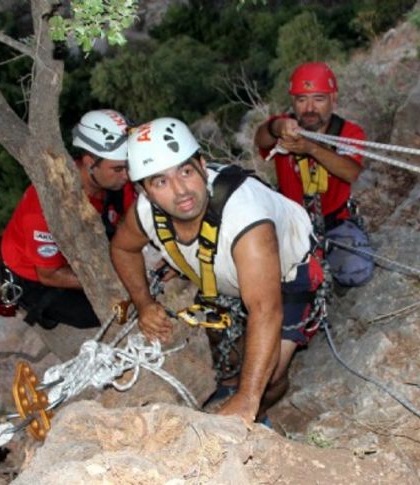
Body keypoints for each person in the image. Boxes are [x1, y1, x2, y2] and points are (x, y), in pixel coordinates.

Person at [110, 117, 324, 424]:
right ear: (145, 191)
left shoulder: (247, 220)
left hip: (289, 271)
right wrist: (144, 303)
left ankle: (258, 412)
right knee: (228, 348)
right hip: (225, 273)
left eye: (185, 171)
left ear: (201, 164)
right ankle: (229, 387)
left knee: (272, 375)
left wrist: (247, 398)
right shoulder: (145, 213)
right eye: (160, 181)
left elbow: (265, 310)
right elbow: (122, 248)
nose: (181, 190)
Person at [0, 109, 134, 335]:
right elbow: (49, 274)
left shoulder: (114, 179)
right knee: (102, 310)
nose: (127, 175)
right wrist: (115, 279)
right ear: (90, 162)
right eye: (119, 168)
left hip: (82, 245)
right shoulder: (44, 210)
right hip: (35, 273)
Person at [255, 61, 374, 288]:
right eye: (301, 100)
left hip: (335, 222)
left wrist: (311, 148)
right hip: (291, 225)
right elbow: (262, 138)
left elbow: (351, 172)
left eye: (318, 99)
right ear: (293, 102)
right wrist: (276, 127)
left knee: (357, 271)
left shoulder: (348, 133)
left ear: (333, 99)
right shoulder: (284, 129)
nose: (309, 108)